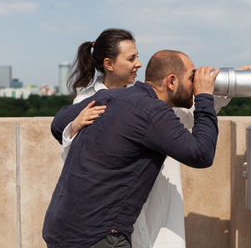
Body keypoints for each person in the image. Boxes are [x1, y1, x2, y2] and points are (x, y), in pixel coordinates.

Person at [60, 29, 251, 248]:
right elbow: (75, 154)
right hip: (107, 216)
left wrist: (236, 80)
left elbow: (186, 116)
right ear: (109, 64)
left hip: (153, 202)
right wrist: (72, 127)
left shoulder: (149, 99)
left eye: (138, 56)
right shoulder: (89, 101)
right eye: (131, 58)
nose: (139, 64)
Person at [43, 50, 220, 247]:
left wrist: (75, 124)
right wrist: (204, 97)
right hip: (99, 236)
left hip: (61, 229)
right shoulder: (153, 111)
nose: (194, 85)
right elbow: (201, 154)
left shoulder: (110, 96)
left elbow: (58, 123)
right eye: (191, 78)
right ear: (171, 81)